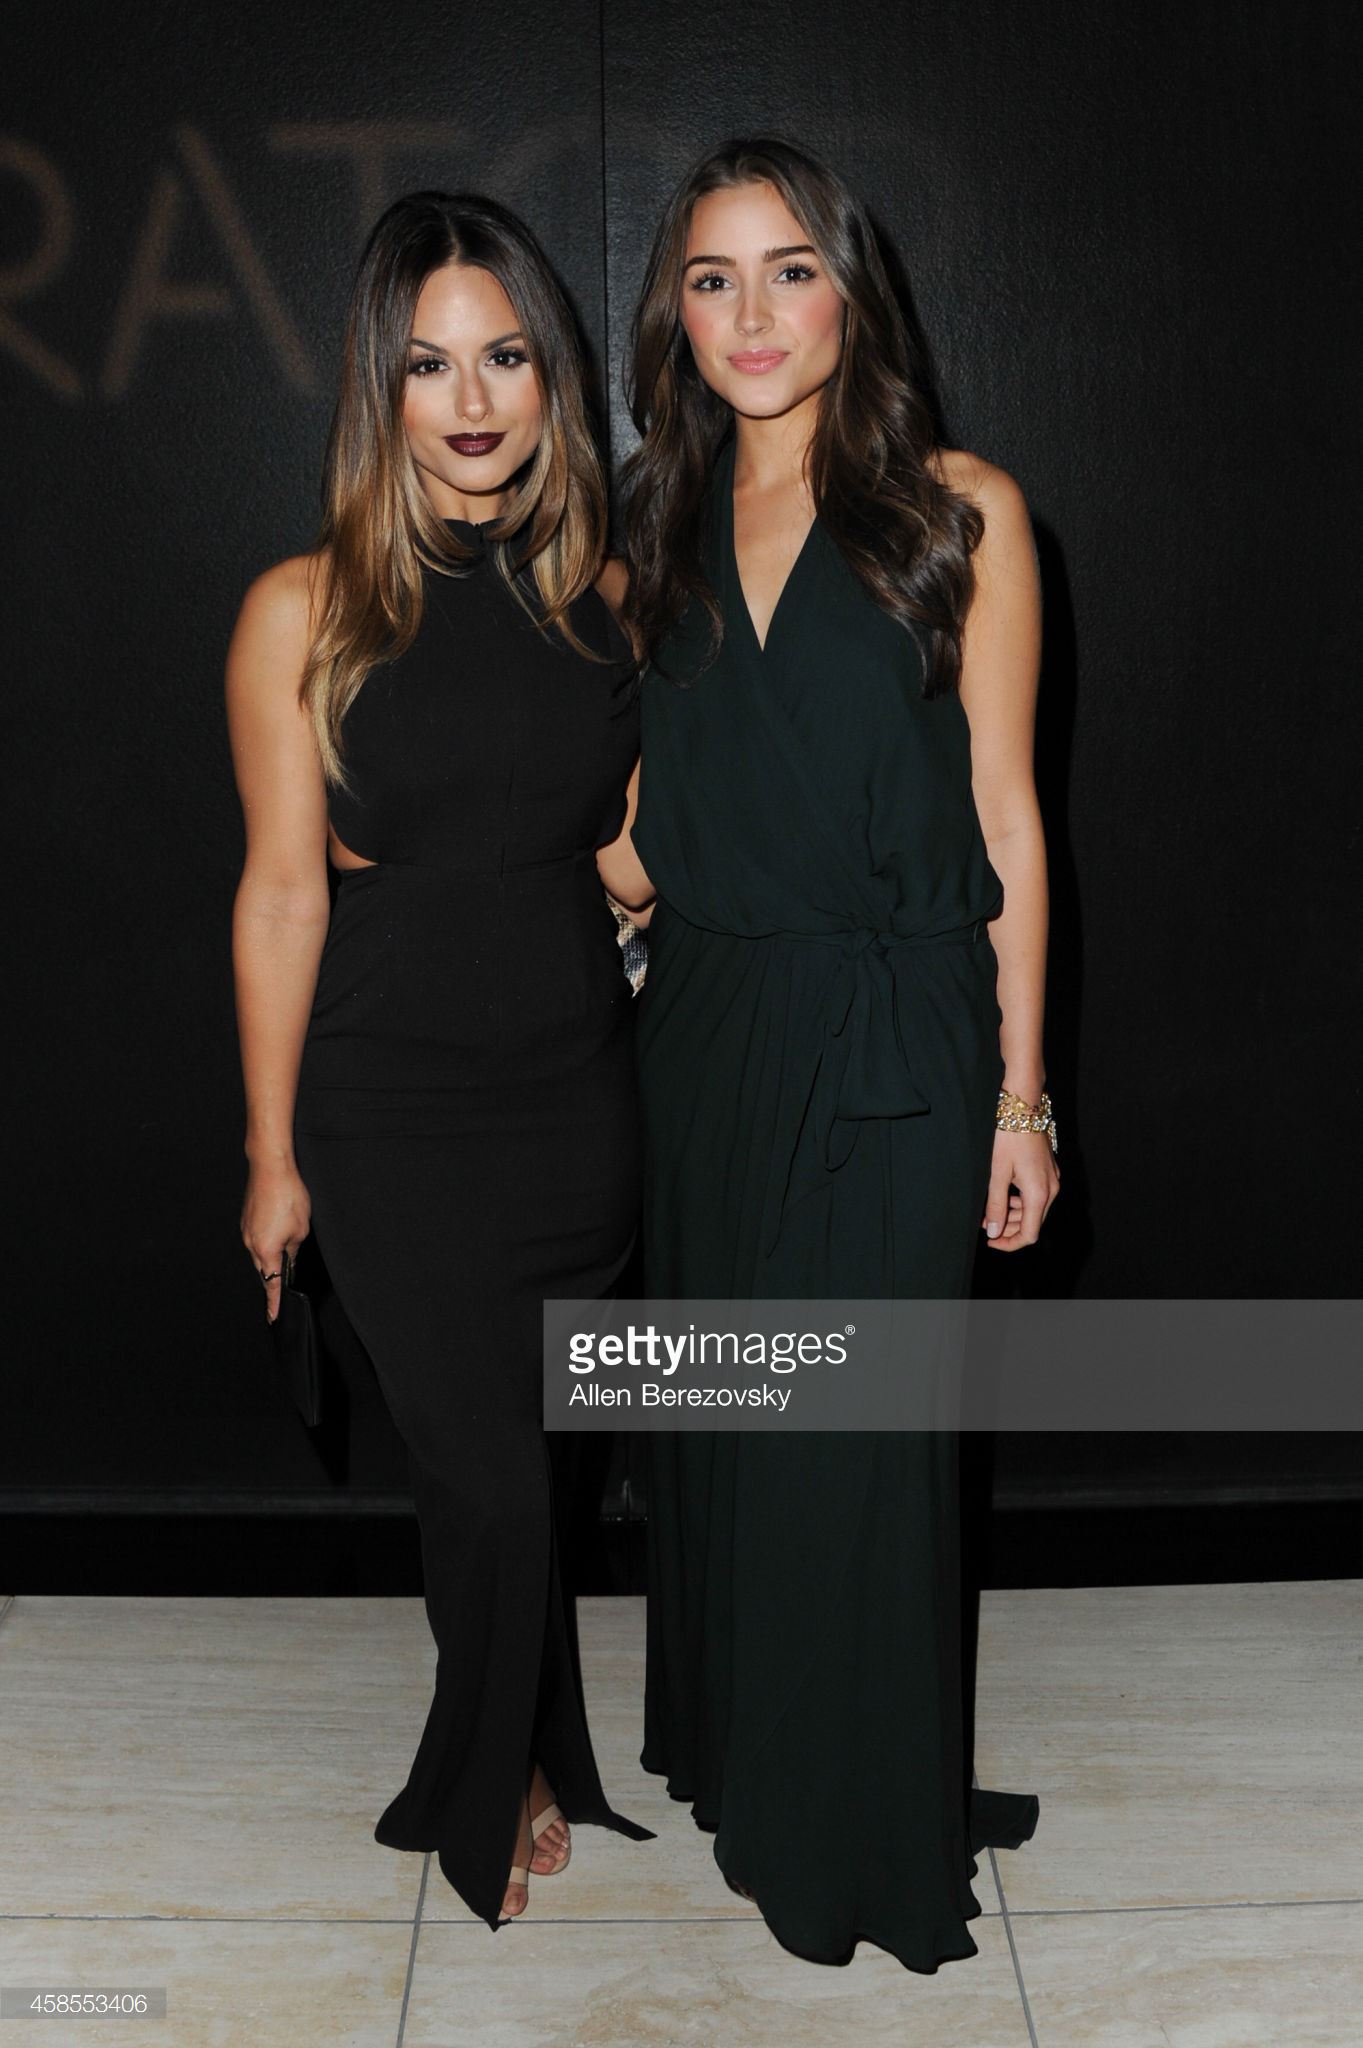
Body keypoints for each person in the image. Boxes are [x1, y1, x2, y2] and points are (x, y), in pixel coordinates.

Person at [618, 137, 1057, 1972]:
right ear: (676, 312)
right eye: (712, 277)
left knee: (855, 1441)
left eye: (789, 268)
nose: (753, 313)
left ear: (851, 291)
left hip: (899, 1032)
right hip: (710, 1028)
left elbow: (1009, 819)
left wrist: (1023, 1096)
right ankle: (763, 1758)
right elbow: (638, 822)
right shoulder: (649, 527)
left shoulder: (959, 512)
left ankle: (853, 1826)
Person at [226, 190, 655, 1930]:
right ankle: (497, 1779)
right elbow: (280, 893)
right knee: (480, 1468)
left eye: (506, 358)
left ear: (554, 380)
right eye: (428, 365)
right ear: (378, 389)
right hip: (388, 1108)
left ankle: (518, 1734)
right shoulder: (303, 610)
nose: (472, 401)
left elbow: (632, 862)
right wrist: (272, 1158)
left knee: (530, 1469)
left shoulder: (612, 604)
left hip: (578, 1095)